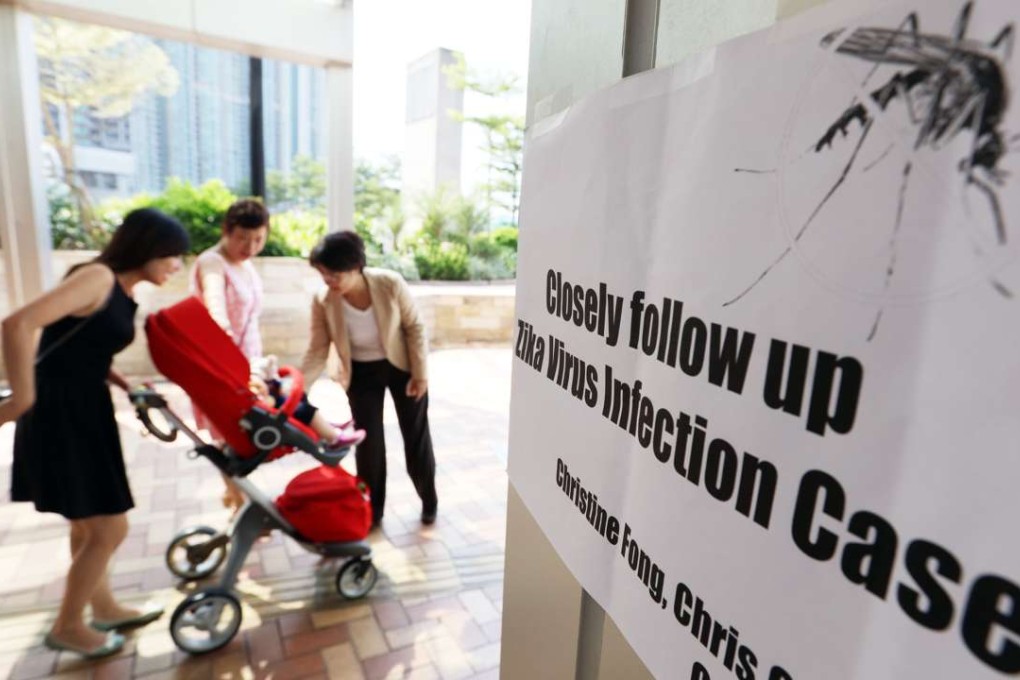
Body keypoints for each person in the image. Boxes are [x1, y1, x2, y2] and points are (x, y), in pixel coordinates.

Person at [2, 208, 189, 658]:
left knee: (88, 521)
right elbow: (17, 324)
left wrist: (123, 382)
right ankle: (68, 625)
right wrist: (22, 397)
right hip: (61, 414)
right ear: (147, 248)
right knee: (109, 529)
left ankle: (101, 606)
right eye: (172, 255)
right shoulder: (98, 278)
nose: (177, 266)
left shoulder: (118, 289)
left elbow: (83, 344)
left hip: (86, 409)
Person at [191, 200, 361, 511]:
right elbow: (215, 303)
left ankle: (234, 497)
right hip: (224, 363)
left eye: (259, 239)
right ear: (226, 231)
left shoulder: (245, 264)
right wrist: (222, 333)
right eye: (243, 237)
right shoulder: (212, 263)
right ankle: (240, 503)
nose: (251, 246)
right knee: (232, 435)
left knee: (239, 432)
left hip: (249, 360)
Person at [300, 231, 438, 527]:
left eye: (334, 274)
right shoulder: (324, 300)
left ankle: (429, 500)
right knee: (368, 443)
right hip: (360, 372)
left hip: (401, 366)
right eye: (323, 274)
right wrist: (300, 387)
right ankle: (372, 511)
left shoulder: (389, 283)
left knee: (415, 437)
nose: (328, 281)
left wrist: (420, 374)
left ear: (356, 266)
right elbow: (317, 348)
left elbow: (414, 327)